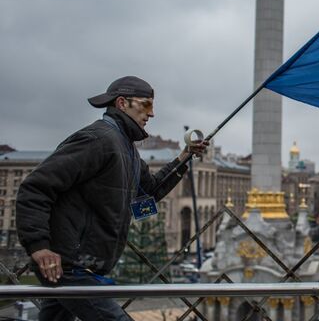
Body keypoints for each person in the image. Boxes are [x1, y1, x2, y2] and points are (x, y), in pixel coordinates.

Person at [16, 76, 208, 321]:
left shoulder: (125, 147)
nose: (152, 114)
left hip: (83, 265)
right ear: (121, 103)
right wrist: (39, 246)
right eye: (146, 104)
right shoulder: (98, 139)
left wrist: (185, 157)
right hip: (70, 266)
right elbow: (35, 188)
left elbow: (149, 191)